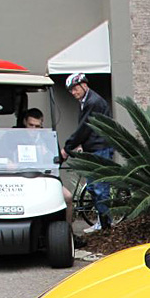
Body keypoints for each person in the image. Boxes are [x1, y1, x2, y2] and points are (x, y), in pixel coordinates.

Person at [61, 72, 113, 233]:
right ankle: (102, 222)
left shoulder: (93, 101)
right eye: (71, 90)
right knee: (93, 187)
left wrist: (68, 147)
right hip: (93, 148)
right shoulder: (86, 100)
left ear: (84, 85)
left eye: (75, 89)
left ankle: (106, 226)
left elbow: (84, 127)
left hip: (100, 149)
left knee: (99, 187)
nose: (73, 93)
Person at [23, 108, 73, 225]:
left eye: (37, 126)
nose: (33, 130)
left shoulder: (47, 138)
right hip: (23, 176)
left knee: (68, 197)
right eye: (31, 125)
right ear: (25, 122)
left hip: (45, 176)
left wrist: (47, 154)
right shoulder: (15, 136)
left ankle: (68, 232)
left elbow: (57, 160)